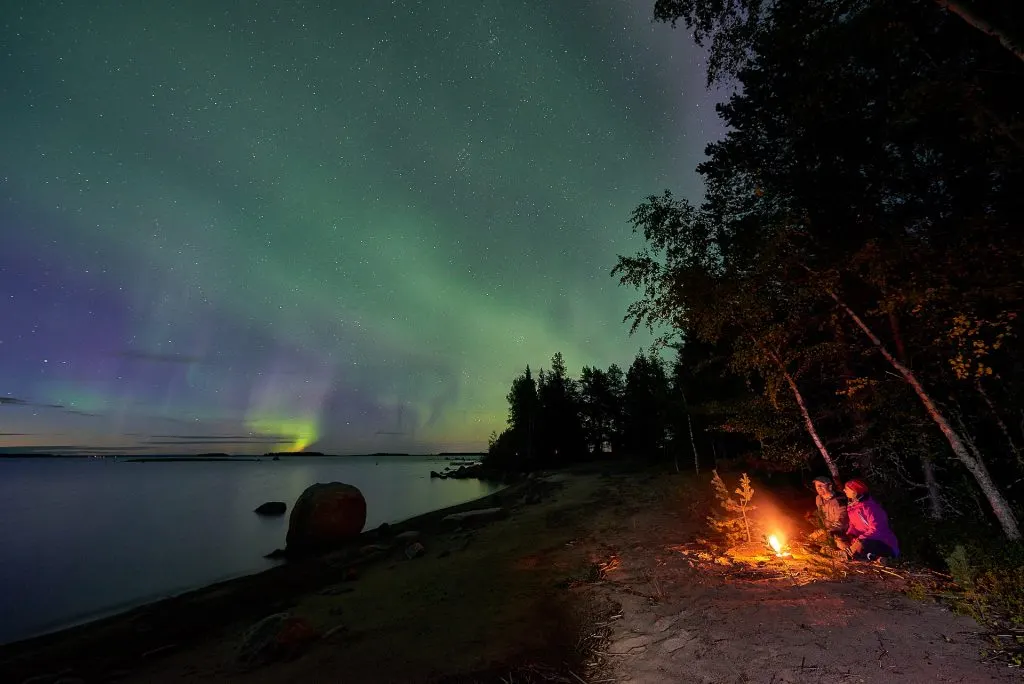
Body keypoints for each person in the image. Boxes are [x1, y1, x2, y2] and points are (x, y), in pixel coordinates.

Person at [836, 479, 899, 561]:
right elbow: (853, 525)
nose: (844, 490)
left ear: (854, 492)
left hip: (884, 543)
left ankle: (851, 555)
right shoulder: (853, 507)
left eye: (846, 488)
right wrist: (849, 535)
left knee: (863, 544)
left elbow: (877, 529)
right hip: (865, 540)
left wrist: (860, 539)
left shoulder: (871, 508)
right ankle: (871, 556)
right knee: (842, 539)